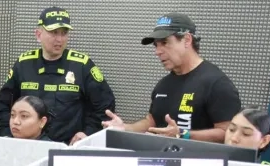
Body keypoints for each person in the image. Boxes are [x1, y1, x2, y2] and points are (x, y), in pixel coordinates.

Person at [103, 13, 240, 144]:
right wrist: (125, 128)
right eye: (156, 45)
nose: (157, 51)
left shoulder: (217, 83)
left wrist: (183, 134)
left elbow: (228, 133)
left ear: (187, 40)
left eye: (164, 42)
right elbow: (151, 121)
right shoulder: (163, 85)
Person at [0, 7, 115, 145]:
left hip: (67, 148)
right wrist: (8, 134)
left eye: (64, 33)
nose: (59, 39)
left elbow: (105, 106)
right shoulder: (23, 64)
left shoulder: (82, 65)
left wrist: (88, 133)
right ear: (38, 34)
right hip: (27, 146)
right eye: (53, 32)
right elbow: (3, 104)